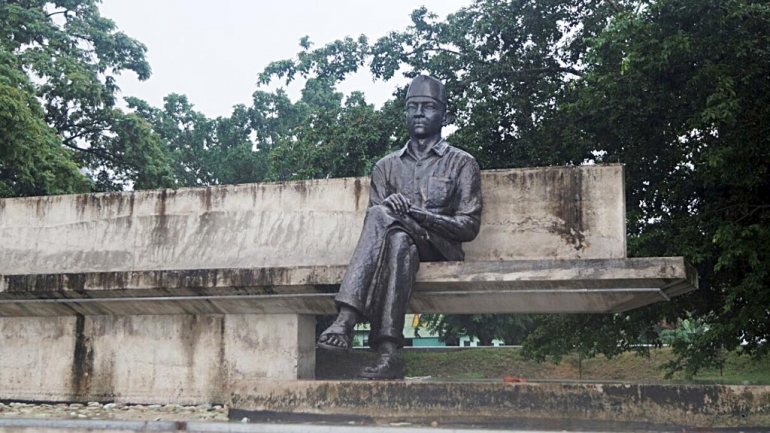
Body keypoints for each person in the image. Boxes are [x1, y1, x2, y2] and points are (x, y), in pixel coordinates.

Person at [317, 75, 483, 379]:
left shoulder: (461, 163)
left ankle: (345, 319)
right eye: (413, 107)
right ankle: (389, 352)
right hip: (401, 247)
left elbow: (468, 226)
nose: (419, 113)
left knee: (386, 220)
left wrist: (418, 215)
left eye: (428, 107)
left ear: (443, 115)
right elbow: (376, 228)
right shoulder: (385, 166)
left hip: (441, 248)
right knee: (396, 241)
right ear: (405, 113)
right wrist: (398, 216)